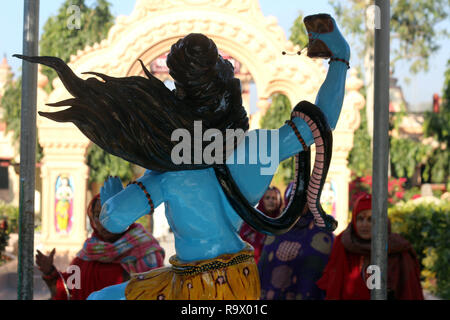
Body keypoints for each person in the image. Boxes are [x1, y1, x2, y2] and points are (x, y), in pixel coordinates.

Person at [19, 14, 350, 300]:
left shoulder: (171, 168)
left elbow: (114, 219)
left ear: (180, 98)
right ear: (226, 89)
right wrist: (339, 60)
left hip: (196, 287)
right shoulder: (259, 147)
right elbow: (321, 121)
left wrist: (112, 202)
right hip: (243, 281)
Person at [36, 188, 165, 300]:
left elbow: (158, 291)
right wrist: (50, 272)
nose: (104, 221)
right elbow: (69, 291)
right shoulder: (87, 253)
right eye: (98, 215)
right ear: (92, 219)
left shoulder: (145, 251)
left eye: (110, 213)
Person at [316, 193, 424, 300]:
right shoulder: (345, 243)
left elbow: (409, 291)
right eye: (360, 219)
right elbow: (334, 285)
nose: (364, 224)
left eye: (371, 219)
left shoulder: (398, 247)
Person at [258, 182, 334, 300]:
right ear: (287, 201)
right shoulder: (277, 230)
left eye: (305, 200)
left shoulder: (323, 233)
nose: (299, 204)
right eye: (294, 199)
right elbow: (264, 270)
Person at [239, 186, 282, 264]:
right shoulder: (251, 221)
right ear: (262, 200)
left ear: (279, 201)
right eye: (267, 198)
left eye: (274, 198)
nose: (271, 201)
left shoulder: (283, 224)